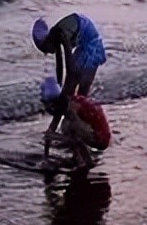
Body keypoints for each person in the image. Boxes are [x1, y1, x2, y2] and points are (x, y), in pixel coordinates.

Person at [33, 14, 108, 166]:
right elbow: (60, 66)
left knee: (78, 97)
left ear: (47, 41)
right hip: (84, 42)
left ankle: (81, 141)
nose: (48, 53)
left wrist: (65, 90)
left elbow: (71, 68)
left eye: (46, 50)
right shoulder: (57, 35)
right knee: (72, 100)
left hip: (90, 45)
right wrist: (59, 87)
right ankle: (78, 135)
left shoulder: (61, 34)